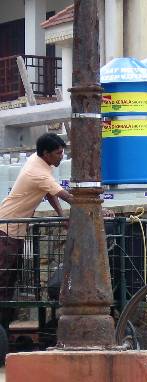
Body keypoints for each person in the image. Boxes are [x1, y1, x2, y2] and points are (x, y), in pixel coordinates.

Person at [0, 133, 74, 329]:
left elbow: (49, 192)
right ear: (46, 153)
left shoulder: (41, 162)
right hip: (7, 230)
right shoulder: (37, 172)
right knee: (3, 280)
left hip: (15, 230)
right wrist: (93, 205)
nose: (61, 157)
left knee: (9, 281)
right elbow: (63, 194)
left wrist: (61, 216)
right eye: (58, 153)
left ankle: (4, 330)